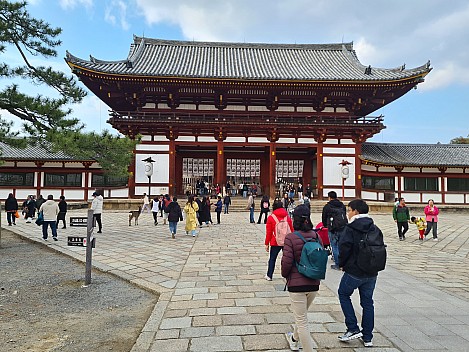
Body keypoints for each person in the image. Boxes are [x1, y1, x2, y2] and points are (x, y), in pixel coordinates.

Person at [337, 199, 380, 348]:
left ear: (355, 211)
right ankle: (367, 337)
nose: (348, 213)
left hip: (355, 271)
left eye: (349, 210)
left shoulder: (351, 228)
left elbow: (344, 248)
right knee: (368, 302)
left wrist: (341, 264)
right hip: (372, 272)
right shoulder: (374, 227)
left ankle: (352, 327)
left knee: (343, 294)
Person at [281, 205, 322, 352]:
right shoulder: (316, 236)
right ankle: (294, 339)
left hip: (297, 285)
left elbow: (286, 263)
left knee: (302, 321)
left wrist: (285, 275)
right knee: (302, 315)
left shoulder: (290, 238)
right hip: (313, 283)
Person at [264, 200, 293, 281]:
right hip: (287, 241)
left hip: (275, 241)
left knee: (272, 259)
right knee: (288, 259)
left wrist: (267, 243)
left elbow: (269, 232)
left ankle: (269, 275)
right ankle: (289, 275)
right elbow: (291, 229)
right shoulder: (287, 217)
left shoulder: (271, 217)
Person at [322, 191, 347, 270]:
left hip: (332, 228)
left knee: (334, 246)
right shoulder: (342, 205)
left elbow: (324, 217)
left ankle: (338, 264)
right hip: (342, 227)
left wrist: (326, 225)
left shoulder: (327, 206)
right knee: (341, 245)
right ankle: (343, 263)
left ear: (329, 197)